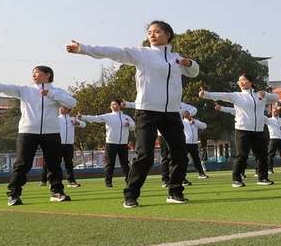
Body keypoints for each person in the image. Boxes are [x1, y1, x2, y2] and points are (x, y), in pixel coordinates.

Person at [67, 20, 199, 207]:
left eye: (157, 31)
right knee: (145, 154)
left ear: (168, 35)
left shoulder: (176, 58)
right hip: (147, 111)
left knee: (180, 154)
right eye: (150, 32)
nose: (152, 35)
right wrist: (84, 48)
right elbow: (113, 51)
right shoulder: (142, 54)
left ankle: (175, 192)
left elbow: (194, 72)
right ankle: (130, 195)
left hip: (171, 112)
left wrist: (190, 63)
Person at [0, 66, 76, 205]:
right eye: (33, 73)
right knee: (22, 164)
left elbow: (72, 103)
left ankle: (57, 192)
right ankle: (13, 194)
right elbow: (2, 87)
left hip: (51, 132)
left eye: (37, 72)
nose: (34, 75)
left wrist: (51, 94)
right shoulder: (25, 90)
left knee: (54, 163)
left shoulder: (57, 91)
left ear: (48, 75)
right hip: (27, 132)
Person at [199, 73, 280, 187]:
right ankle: (236, 179)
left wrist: (265, 93)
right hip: (243, 130)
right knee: (242, 155)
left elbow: (276, 98)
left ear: (251, 82)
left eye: (244, 80)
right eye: (239, 81)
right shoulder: (237, 96)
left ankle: (263, 178)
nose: (241, 82)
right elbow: (221, 95)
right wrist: (205, 94)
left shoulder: (260, 96)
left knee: (262, 155)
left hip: (258, 130)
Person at [79, 100, 135, 187]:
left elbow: (134, 126)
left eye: (115, 104)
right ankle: (108, 182)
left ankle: (129, 181)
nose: (113, 106)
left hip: (123, 143)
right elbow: (95, 118)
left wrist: (129, 125)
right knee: (110, 164)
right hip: (111, 143)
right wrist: (82, 117)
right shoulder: (108, 116)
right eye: (111, 104)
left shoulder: (126, 117)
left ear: (120, 106)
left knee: (125, 163)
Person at [42, 107, 86, 187]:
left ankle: (71, 181)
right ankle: (53, 181)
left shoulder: (72, 119)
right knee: (55, 164)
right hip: (58, 143)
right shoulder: (56, 118)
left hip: (69, 144)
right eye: (60, 107)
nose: (61, 109)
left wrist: (78, 123)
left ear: (68, 109)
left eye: (63, 107)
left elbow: (84, 124)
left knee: (69, 163)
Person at [182, 110, 208, 180]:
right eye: (185, 113)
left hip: (193, 143)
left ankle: (201, 173)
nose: (186, 115)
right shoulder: (182, 122)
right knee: (183, 160)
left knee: (196, 159)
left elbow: (204, 126)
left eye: (188, 113)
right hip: (185, 143)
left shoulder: (195, 121)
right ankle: (182, 175)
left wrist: (195, 123)